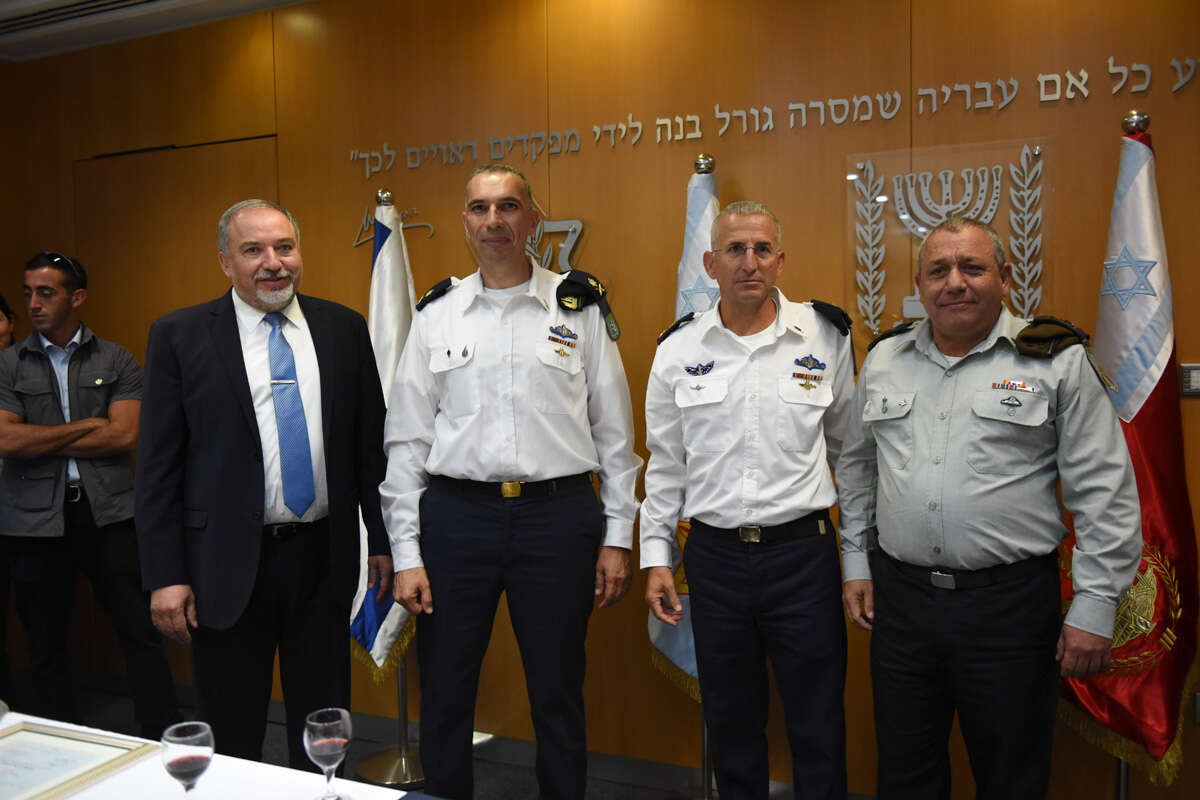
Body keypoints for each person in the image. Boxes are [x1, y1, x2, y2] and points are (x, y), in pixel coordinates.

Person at [837, 216, 1142, 799]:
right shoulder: (885, 359)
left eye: (972, 268)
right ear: (920, 285)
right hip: (902, 604)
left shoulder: (1055, 359)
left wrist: (1096, 604)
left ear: (1004, 277)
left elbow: (1103, 489)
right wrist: (855, 561)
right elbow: (856, 470)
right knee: (904, 774)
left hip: (1009, 610)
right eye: (938, 271)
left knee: (1011, 778)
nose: (955, 282)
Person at [381, 164, 642, 800]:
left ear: (532, 219)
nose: (493, 220)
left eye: (508, 206)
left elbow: (615, 436)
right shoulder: (438, 315)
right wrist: (407, 553)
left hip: (557, 517)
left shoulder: (578, 308)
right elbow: (407, 442)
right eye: (479, 208)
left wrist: (617, 537)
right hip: (456, 518)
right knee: (446, 689)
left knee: (558, 689)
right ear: (465, 221)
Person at [135, 200, 392, 767]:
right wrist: (165, 575)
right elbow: (157, 467)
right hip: (222, 565)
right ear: (225, 262)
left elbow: (369, 449)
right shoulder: (179, 335)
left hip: (322, 559)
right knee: (231, 731)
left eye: (284, 247)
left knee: (323, 725)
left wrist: (383, 540)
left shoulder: (343, 328)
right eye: (253, 250)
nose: (273, 263)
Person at [640, 201, 852, 799]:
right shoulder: (678, 349)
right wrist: (656, 556)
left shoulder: (825, 336)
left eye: (761, 249)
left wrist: (858, 560)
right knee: (732, 724)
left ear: (780, 261)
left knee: (818, 722)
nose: (749, 262)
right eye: (735, 249)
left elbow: (851, 456)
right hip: (716, 560)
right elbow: (666, 465)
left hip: (803, 556)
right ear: (711, 264)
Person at [0, 252, 179, 737]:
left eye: (46, 293)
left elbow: (124, 436)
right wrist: (87, 426)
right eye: (28, 293)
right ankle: (59, 739)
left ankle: (162, 735)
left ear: (76, 297)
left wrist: (40, 438)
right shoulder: (8, 365)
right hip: (32, 519)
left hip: (109, 513)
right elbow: (7, 440)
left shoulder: (115, 359)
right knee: (44, 639)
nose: (33, 304)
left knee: (139, 630)